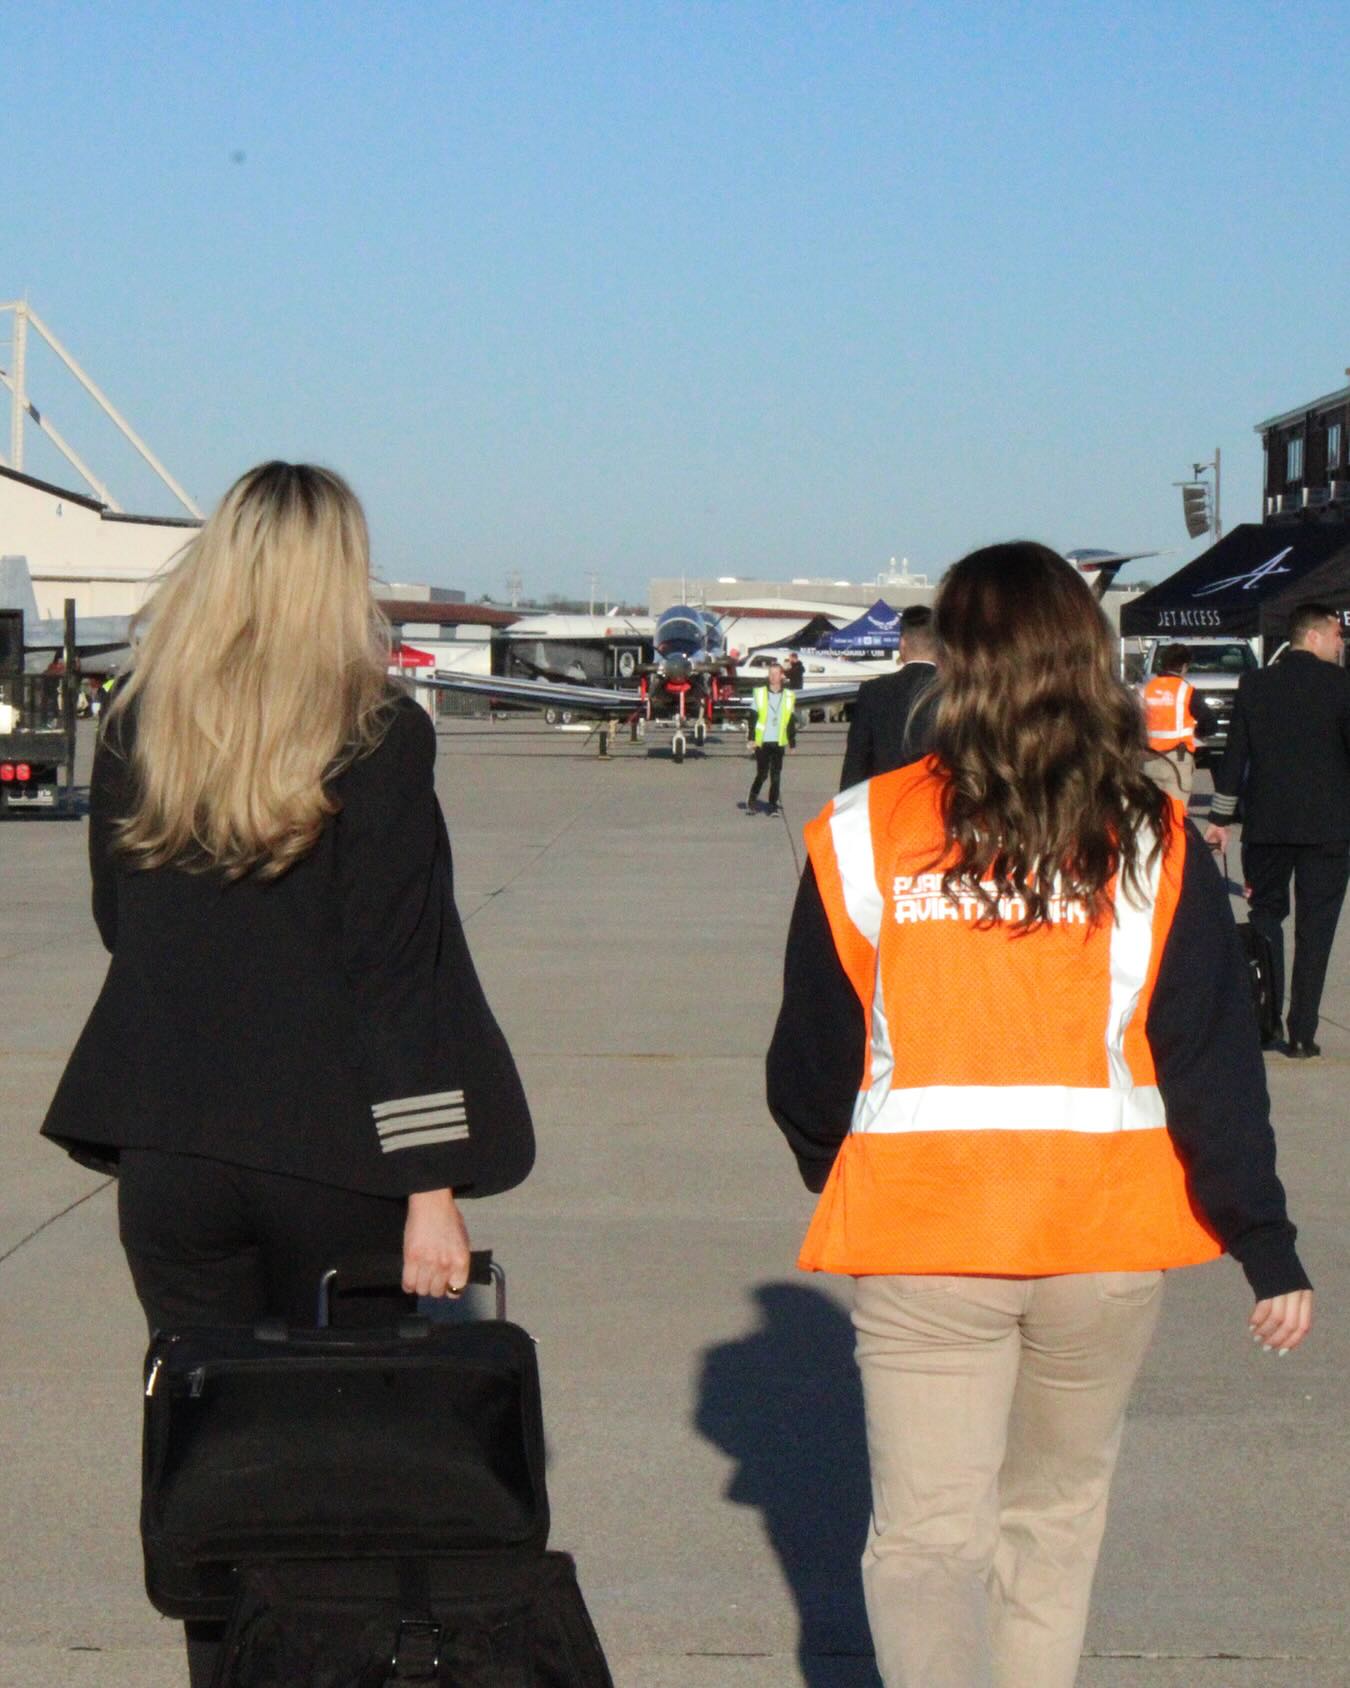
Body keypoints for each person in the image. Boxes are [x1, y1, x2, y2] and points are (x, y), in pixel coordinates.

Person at [767, 542, 1312, 1688]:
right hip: (1101, 1239)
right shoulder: (1157, 838)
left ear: (951, 664)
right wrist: (1264, 1242)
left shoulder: (863, 827)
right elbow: (1212, 1061)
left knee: (926, 1542)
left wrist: (848, 1164)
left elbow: (809, 1063)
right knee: (1052, 1524)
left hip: (923, 1234)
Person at [41, 461, 534, 1686]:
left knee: (225, 1459)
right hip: (338, 1159)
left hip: (172, 1154)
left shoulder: (139, 723)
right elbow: (397, 973)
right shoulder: (378, 735)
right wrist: (432, 1182)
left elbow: (123, 920)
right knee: (347, 1467)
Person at [1206, 602, 1350, 1057]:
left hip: (1266, 828)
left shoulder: (1255, 684)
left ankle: (1264, 1022)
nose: (1341, 643)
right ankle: (1303, 1032)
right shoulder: (1342, 686)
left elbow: (1234, 758)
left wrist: (1220, 819)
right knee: (1317, 928)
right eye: (1337, 635)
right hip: (1328, 830)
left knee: (1266, 919)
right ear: (1313, 636)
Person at [839, 604, 939, 788]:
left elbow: (856, 763)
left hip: (885, 805)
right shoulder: (956, 693)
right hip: (938, 807)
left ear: (902, 644)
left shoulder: (873, 691)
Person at [1140, 643, 1216, 802]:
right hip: (1177, 761)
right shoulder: (1186, 691)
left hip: (1148, 760)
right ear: (1184, 666)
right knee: (1175, 817)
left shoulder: (1146, 689)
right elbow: (1210, 723)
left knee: (1151, 817)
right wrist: (1198, 733)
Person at [747, 658, 796, 814]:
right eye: (770, 674)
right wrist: (751, 738)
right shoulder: (761, 694)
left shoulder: (788, 696)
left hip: (778, 741)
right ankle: (752, 799)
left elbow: (790, 721)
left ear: (782, 676)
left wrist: (792, 742)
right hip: (762, 741)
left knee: (776, 776)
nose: (773, 677)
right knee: (762, 774)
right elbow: (752, 717)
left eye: (776, 674)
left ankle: (773, 805)